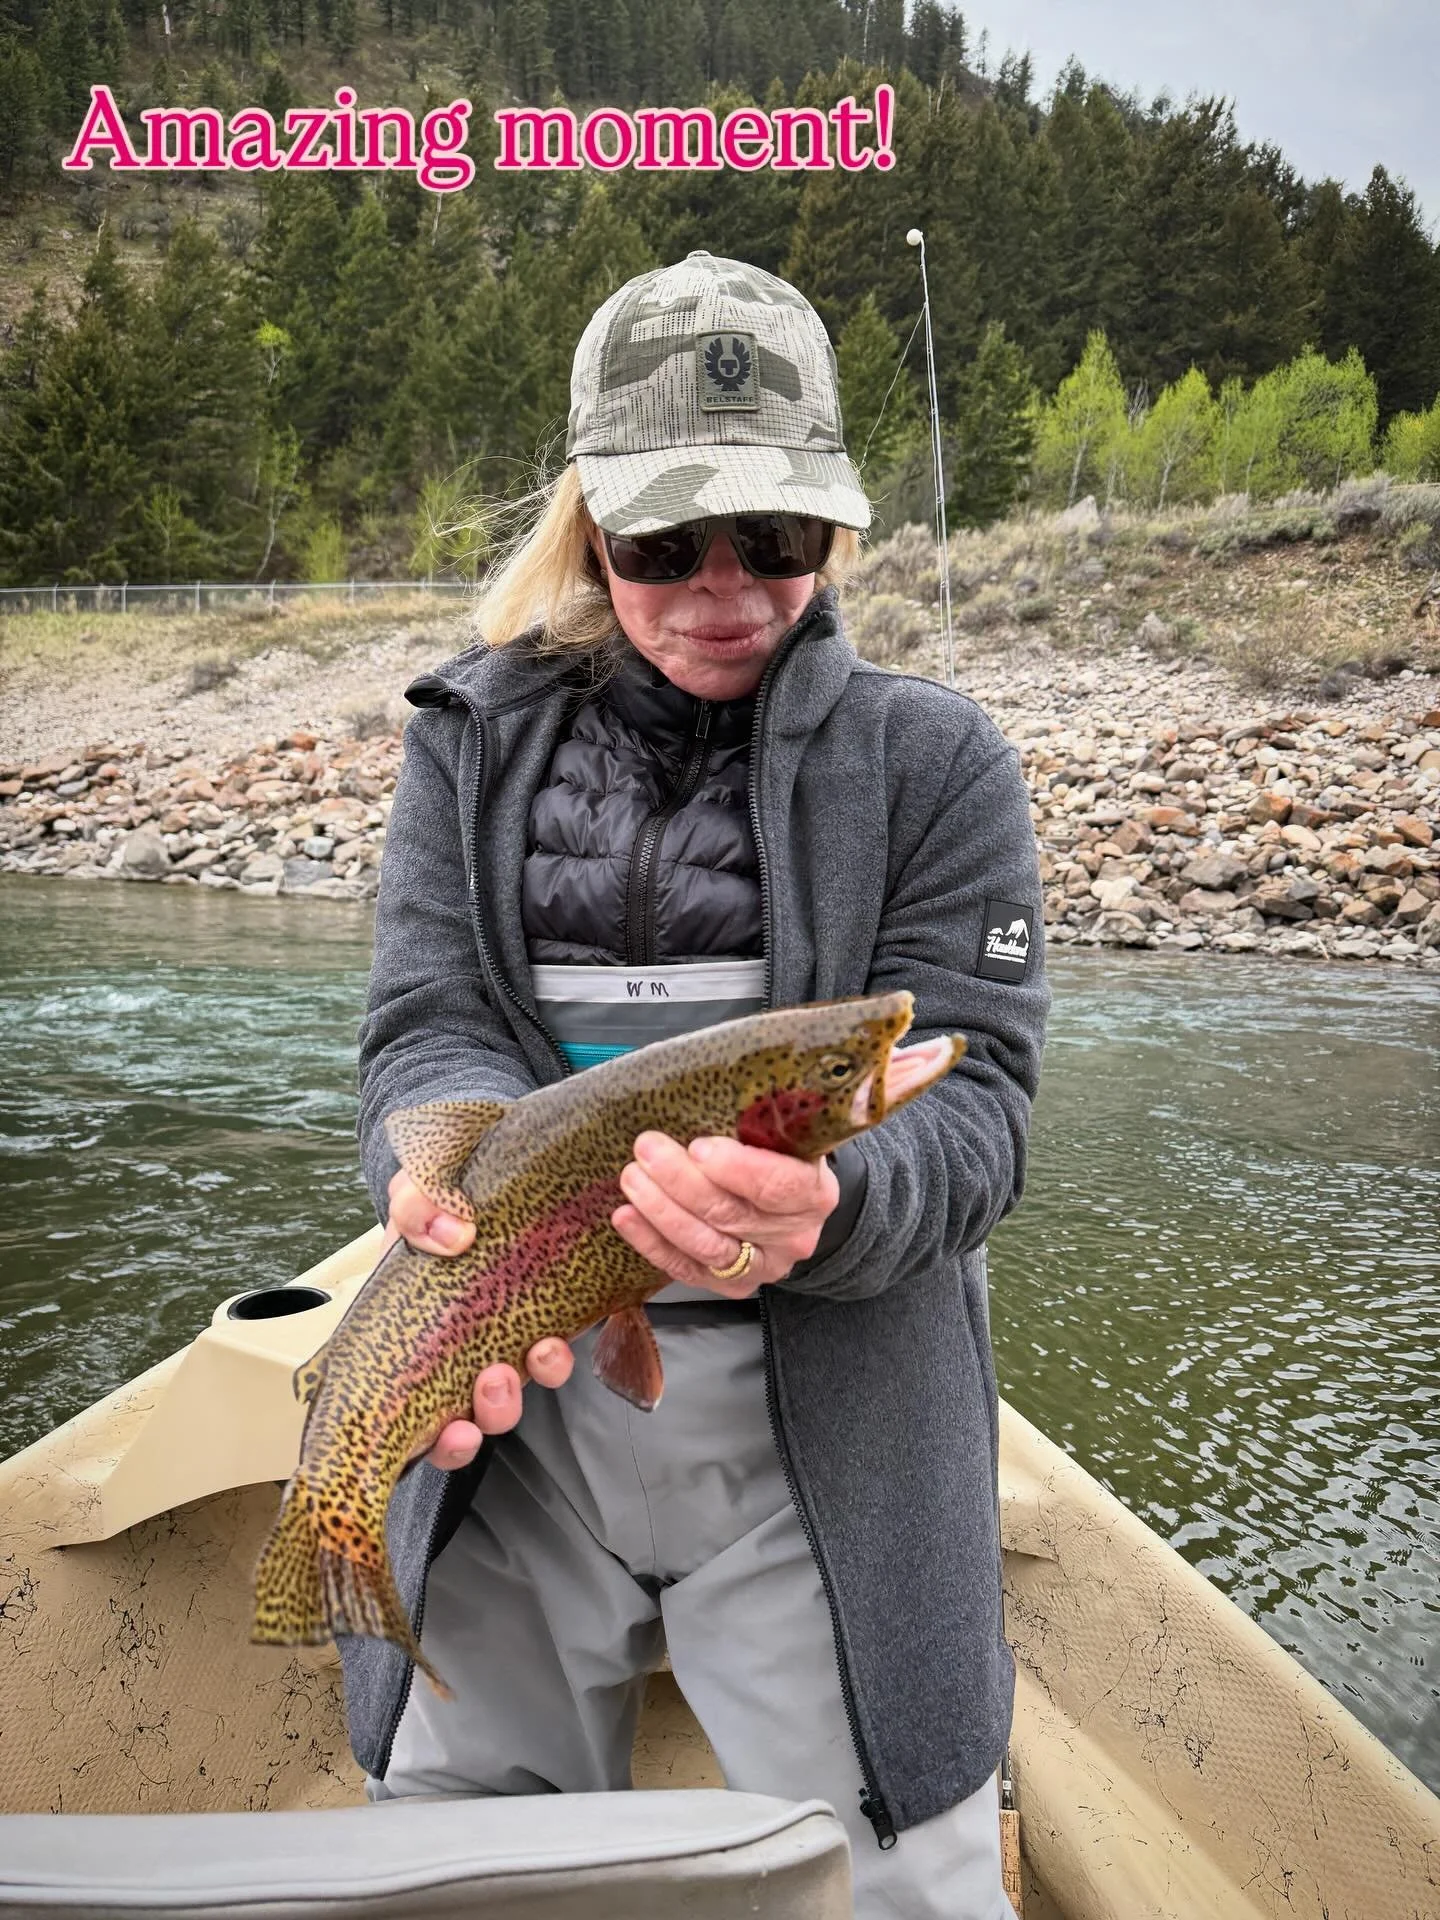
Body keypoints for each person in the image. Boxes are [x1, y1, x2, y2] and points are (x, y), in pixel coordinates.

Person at [344, 251, 1049, 1920]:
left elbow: (984, 1104)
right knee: (460, 1872)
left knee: (893, 1877)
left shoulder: (936, 763)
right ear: (592, 529)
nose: (725, 586)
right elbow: (424, 1028)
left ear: (835, 531)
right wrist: (426, 1173)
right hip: (523, 1408)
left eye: (779, 538)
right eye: (667, 543)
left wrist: (837, 1201)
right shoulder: (468, 740)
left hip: (834, 1432)